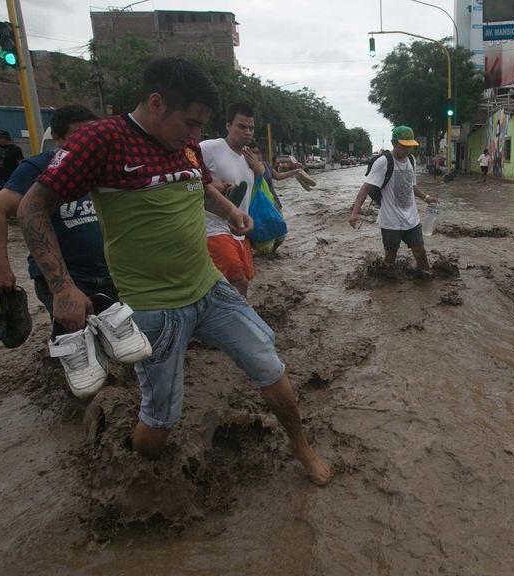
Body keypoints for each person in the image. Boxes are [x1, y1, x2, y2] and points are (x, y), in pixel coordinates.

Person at [18, 57, 331, 484]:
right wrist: (62, 288)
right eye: (190, 123)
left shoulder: (185, 145)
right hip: (152, 307)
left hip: (209, 288)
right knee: (161, 416)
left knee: (270, 365)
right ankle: (140, 481)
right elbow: (31, 208)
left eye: (201, 126)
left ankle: (301, 447)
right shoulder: (101, 140)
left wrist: (230, 212)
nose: (196, 136)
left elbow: (199, 186)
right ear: (156, 103)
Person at [0, 104, 113, 313]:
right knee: (77, 332)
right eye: (80, 137)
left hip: (110, 275)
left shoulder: (106, 168)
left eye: (94, 137)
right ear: (58, 139)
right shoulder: (38, 168)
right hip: (66, 278)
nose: (89, 144)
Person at [348, 125, 439, 272]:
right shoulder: (383, 162)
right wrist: (355, 213)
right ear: (394, 143)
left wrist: (426, 198)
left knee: (420, 253)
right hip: (391, 222)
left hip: (412, 220)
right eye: (404, 146)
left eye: (409, 146)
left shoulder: (411, 160)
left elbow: (411, 186)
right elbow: (365, 188)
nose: (407, 150)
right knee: (390, 259)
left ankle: (426, 283)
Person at [201, 102, 263, 298]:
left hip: (240, 231)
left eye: (251, 128)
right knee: (238, 281)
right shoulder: (210, 148)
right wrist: (214, 183)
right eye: (241, 126)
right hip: (213, 228)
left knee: (244, 280)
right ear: (228, 125)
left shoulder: (248, 158)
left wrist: (259, 170)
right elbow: (186, 173)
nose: (247, 132)